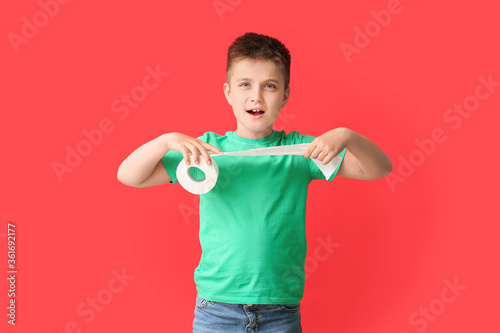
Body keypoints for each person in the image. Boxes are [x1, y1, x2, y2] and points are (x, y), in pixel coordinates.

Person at [117, 32, 392, 333]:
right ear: (228, 92)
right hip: (216, 310)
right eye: (245, 84)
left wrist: (347, 136)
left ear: (285, 95)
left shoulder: (301, 151)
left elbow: (378, 169)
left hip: (280, 311)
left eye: (270, 86)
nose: (256, 97)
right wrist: (165, 140)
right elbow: (129, 175)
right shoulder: (205, 151)